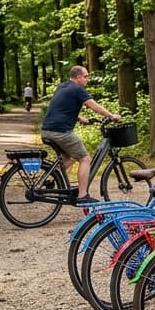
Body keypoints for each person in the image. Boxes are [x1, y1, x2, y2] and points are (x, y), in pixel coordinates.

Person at [41, 65, 120, 205]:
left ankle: (49, 178)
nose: (87, 79)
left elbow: (61, 107)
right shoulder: (78, 89)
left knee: (70, 158)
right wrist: (111, 115)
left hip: (47, 130)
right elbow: (93, 105)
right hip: (60, 132)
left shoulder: (63, 86)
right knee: (85, 159)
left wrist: (79, 117)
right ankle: (82, 195)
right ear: (78, 77)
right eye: (86, 76)